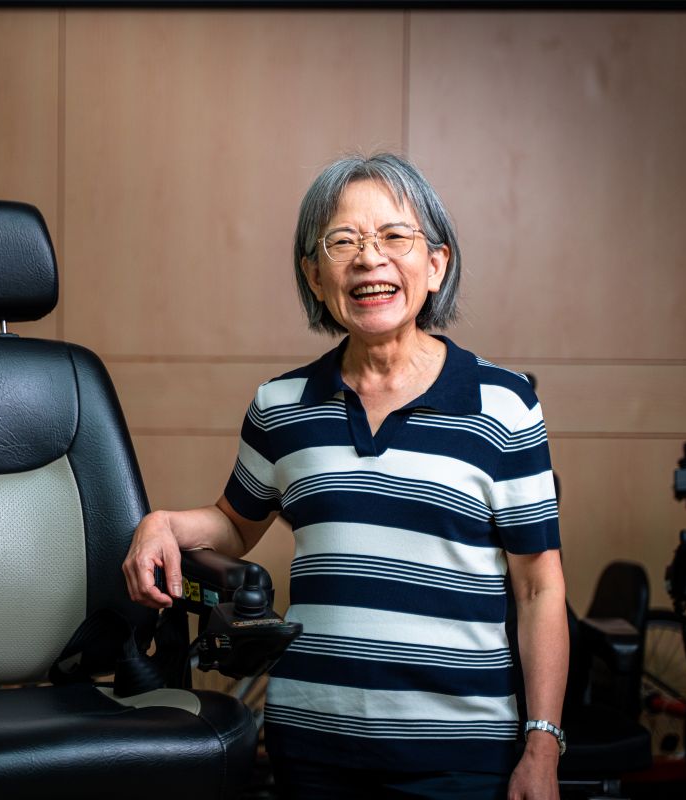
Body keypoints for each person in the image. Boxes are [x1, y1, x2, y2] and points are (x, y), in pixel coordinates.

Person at [122, 153, 567, 800]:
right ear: (314, 275)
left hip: (460, 756)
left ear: (436, 264)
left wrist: (543, 744)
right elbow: (234, 524)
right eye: (343, 241)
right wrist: (161, 523)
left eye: (394, 236)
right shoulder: (281, 405)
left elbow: (539, 589)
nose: (369, 259)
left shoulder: (502, 405)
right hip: (311, 747)